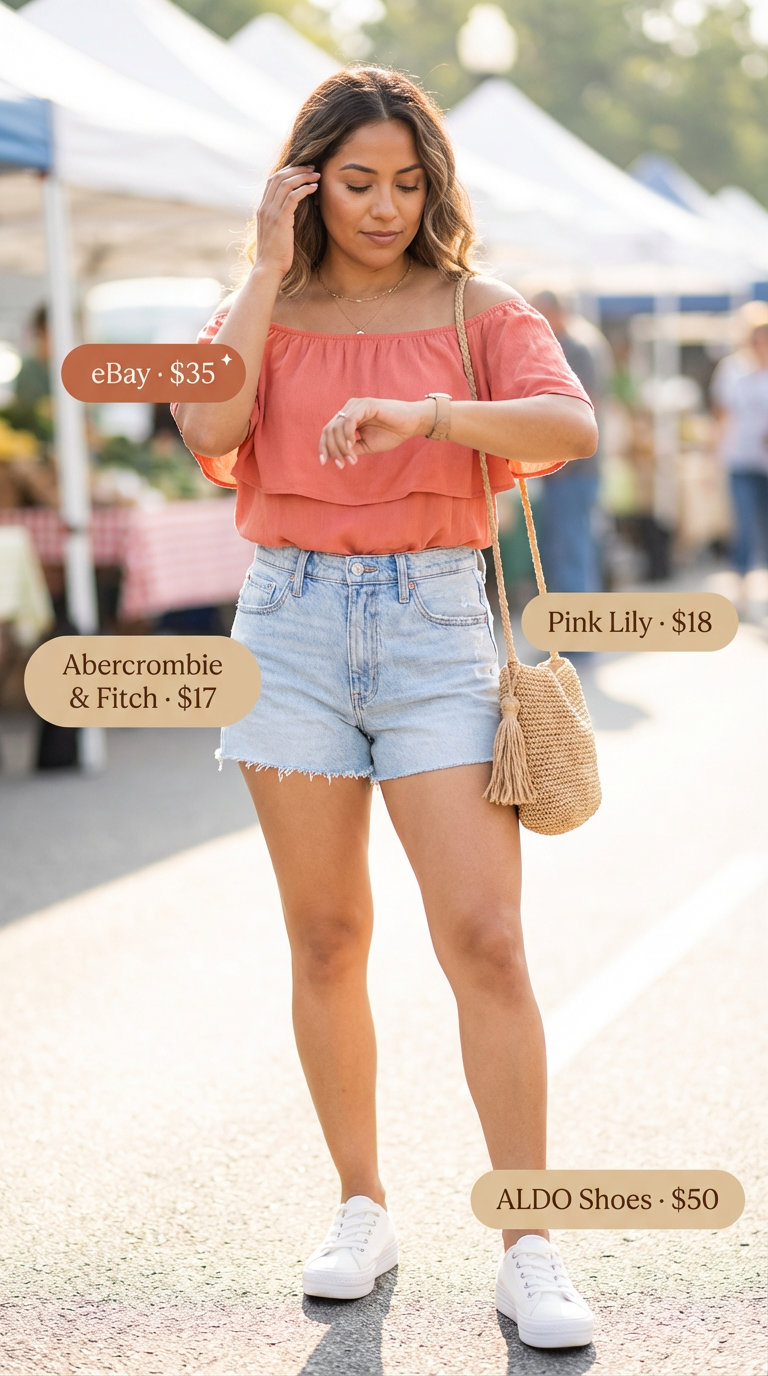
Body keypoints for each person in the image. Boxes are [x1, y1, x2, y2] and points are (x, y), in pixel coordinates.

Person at [172, 66, 598, 1351]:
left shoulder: (476, 305)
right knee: (326, 937)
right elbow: (208, 418)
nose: (385, 205)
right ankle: (362, 1203)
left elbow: (567, 423)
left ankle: (528, 1239)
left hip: (432, 629)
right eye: (357, 181)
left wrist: (430, 411)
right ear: (306, 179)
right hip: (288, 625)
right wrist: (258, 266)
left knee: (488, 939)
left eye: (408, 183)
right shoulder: (268, 304)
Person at [529, 290, 609, 603]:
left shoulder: (577, 348)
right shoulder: (573, 344)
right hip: (567, 466)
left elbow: (587, 408)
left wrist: (566, 460)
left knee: (572, 549)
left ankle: (579, 636)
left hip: (575, 467)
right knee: (566, 549)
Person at [709, 302, 768, 608]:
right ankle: (743, 585)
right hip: (741, 459)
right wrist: (714, 455)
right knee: (744, 525)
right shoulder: (732, 370)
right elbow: (721, 415)